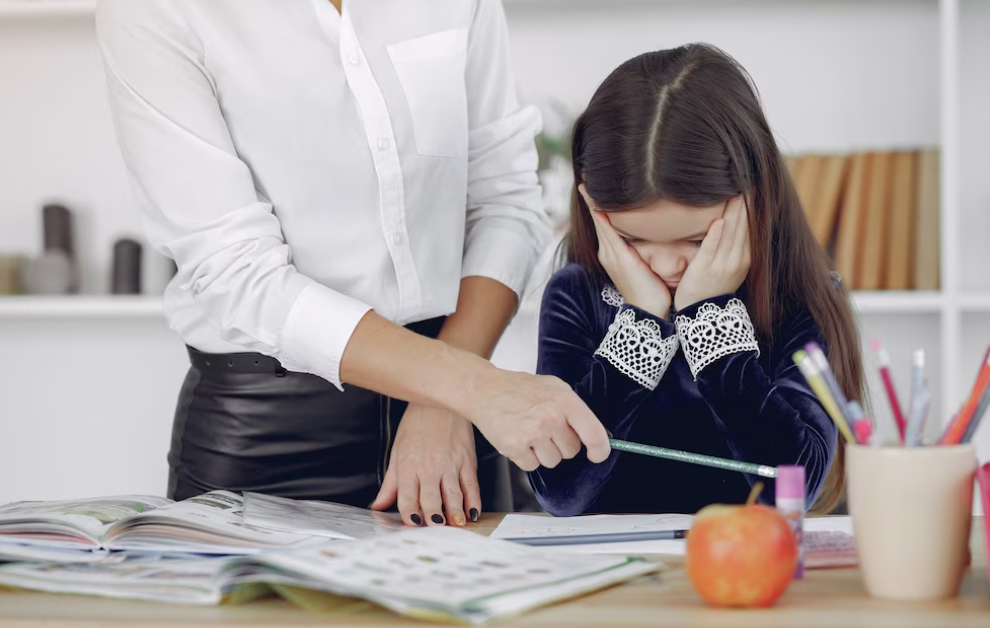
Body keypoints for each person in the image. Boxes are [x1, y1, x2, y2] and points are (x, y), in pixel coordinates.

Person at [95, 0, 610, 529]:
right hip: (267, 444)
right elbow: (236, 273)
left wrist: (445, 400)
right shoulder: (154, 10)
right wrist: (468, 386)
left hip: (456, 434)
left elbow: (505, 202)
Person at [530, 44, 864, 516]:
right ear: (593, 211)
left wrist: (709, 318)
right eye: (633, 240)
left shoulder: (800, 298)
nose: (666, 267)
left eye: (693, 239)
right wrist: (643, 322)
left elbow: (795, 486)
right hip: (616, 578)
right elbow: (559, 491)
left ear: (754, 200)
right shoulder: (577, 296)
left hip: (761, 570)